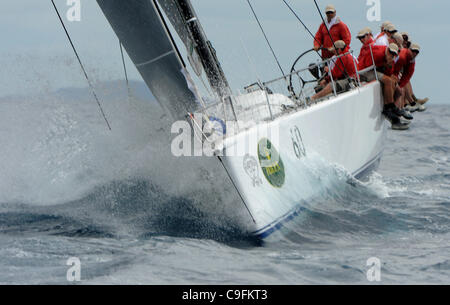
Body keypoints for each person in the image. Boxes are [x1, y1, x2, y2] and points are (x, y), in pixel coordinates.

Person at [358, 43, 409, 130]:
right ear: (387, 50)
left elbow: (389, 73)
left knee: (395, 86)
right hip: (365, 71)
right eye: (390, 52)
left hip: (375, 69)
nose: (391, 55)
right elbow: (366, 65)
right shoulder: (378, 53)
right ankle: (389, 107)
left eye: (393, 54)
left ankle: (393, 109)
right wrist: (384, 64)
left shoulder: (391, 59)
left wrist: (390, 69)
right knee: (388, 81)